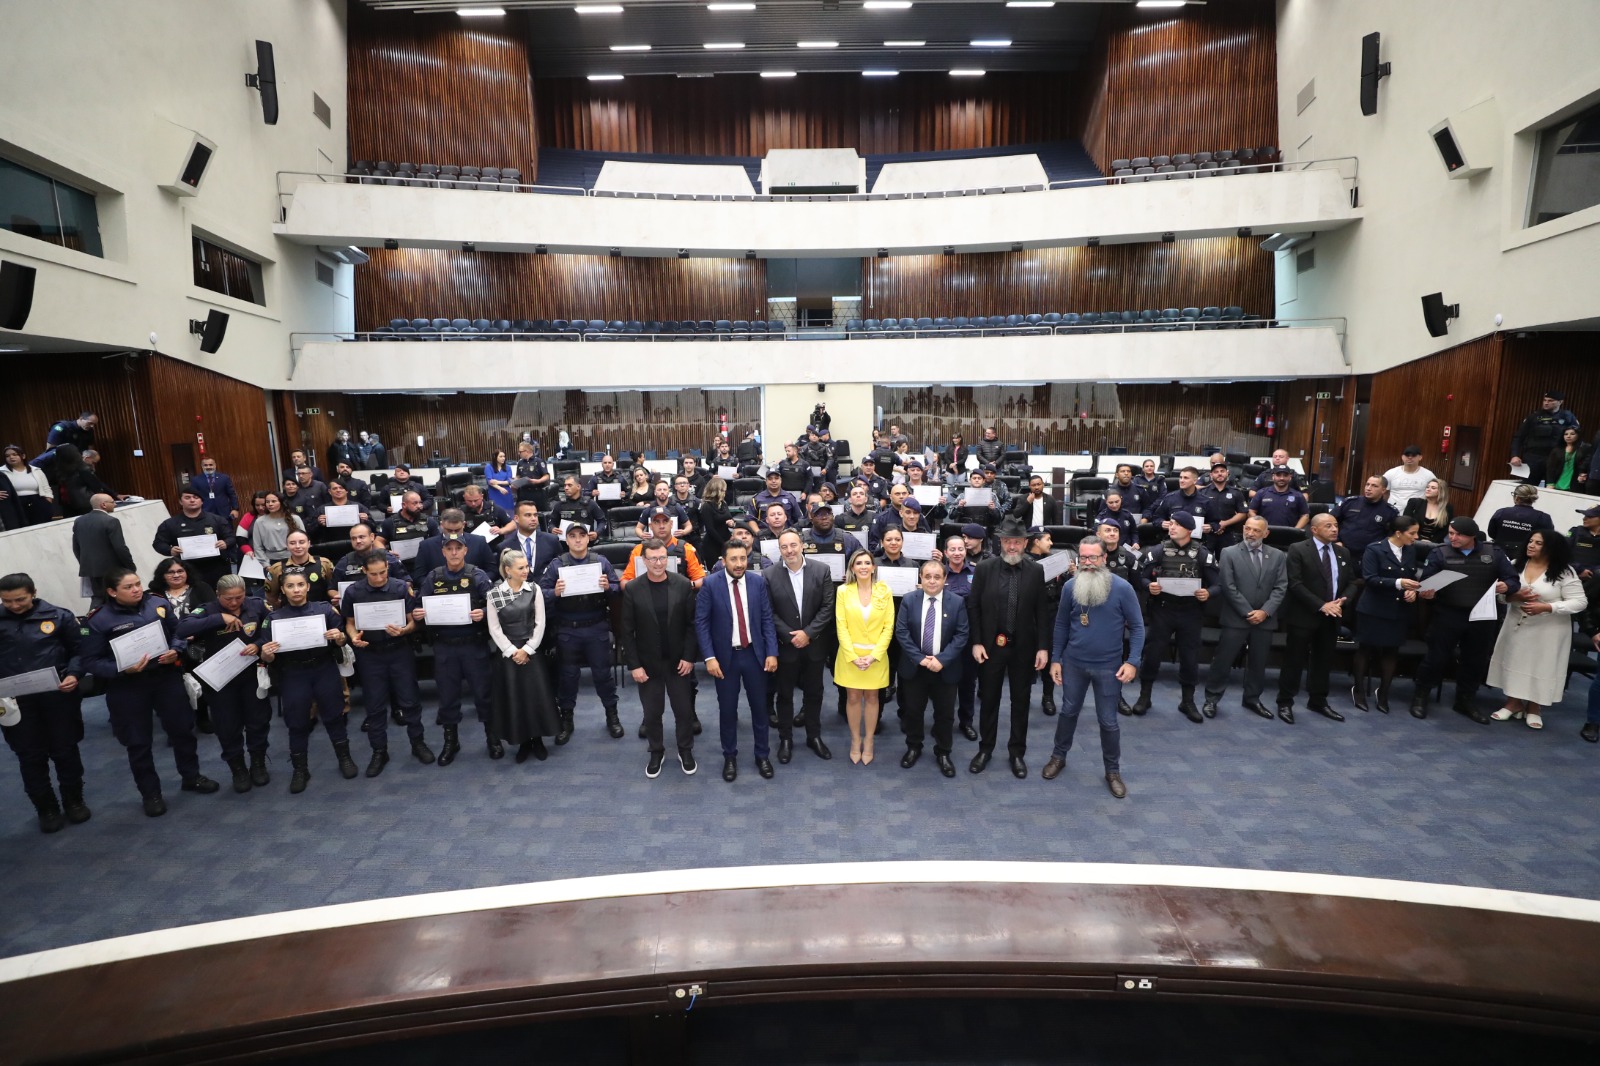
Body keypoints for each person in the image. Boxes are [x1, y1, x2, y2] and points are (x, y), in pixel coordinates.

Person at [81, 568, 219, 815]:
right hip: (128, 686)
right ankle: (151, 794)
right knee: (138, 743)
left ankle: (191, 776)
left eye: (137, 584)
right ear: (112, 592)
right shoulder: (99, 620)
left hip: (165, 678)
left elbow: (178, 632)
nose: (136, 590)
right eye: (128, 587)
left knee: (182, 730)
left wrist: (175, 650)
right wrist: (122, 669)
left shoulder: (157, 603)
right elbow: (90, 661)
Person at [1044, 537, 1144, 798]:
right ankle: (1058, 756)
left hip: (1109, 667)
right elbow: (1061, 625)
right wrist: (1056, 659)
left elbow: (1137, 627)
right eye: (1083, 558)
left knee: (1108, 721)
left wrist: (1132, 661)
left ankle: (1112, 771)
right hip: (1074, 664)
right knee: (1068, 712)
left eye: (1093, 558)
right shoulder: (1070, 587)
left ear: (1104, 558)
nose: (1087, 563)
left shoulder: (1122, 588)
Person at [0, 572, 90, 832]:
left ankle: (74, 801)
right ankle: (46, 808)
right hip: (14, 702)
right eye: (7, 601)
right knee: (30, 756)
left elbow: (79, 651)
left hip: (58, 696)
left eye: (20, 599)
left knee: (65, 750)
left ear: (33, 593)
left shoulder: (59, 616)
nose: (14, 605)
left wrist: (74, 674)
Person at [966, 517, 1051, 778]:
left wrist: (1043, 647)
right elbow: (973, 607)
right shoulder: (985, 568)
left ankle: (1017, 752)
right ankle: (985, 749)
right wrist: (977, 642)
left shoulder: (1036, 571)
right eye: (1007, 541)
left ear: (1025, 543)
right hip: (991, 647)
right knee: (989, 700)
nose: (1012, 547)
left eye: (1017, 542)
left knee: (1021, 701)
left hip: (1023, 648)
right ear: (1000, 542)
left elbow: (1042, 611)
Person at [1411, 517, 1520, 722]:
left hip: (1482, 616)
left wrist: (1507, 586)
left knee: (1475, 660)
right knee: (1436, 657)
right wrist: (1427, 593)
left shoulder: (1494, 553)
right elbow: (1426, 582)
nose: (1453, 538)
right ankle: (1421, 695)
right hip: (1449, 613)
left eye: (1458, 534)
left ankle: (1465, 700)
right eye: (1451, 533)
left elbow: (1513, 579)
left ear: (1472, 536)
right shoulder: (1440, 552)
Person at [258, 570, 355, 793]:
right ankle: (300, 769)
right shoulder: (274, 618)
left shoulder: (324, 610)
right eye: (290, 586)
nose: (296, 590)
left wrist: (339, 637)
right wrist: (266, 654)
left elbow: (341, 640)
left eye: (300, 585)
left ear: (308, 587)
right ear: (283, 590)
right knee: (297, 721)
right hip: (293, 672)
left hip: (323, 668)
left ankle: (345, 758)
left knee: (334, 715)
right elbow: (268, 658)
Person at [175, 575, 273, 791]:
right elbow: (182, 629)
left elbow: (272, 629)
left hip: (252, 675)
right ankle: (238, 768)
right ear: (218, 594)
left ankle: (258, 763)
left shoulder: (256, 605)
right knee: (227, 725)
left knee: (258, 721)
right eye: (228, 599)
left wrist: (258, 644)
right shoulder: (206, 610)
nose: (234, 602)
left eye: (239, 597)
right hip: (220, 680)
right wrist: (220, 618)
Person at [341, 551, 434, 775]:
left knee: (410, 700)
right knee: (374, 705)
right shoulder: (353, 592)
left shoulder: (400, 588)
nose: (379, 578)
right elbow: (349, 622)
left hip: (399, 650)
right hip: (370, 653)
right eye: (373, 574)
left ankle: (417, 742)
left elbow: (413, 622)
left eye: (383, 572)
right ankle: (379, 751)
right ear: (364, 571)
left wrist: (404, 630)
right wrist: (353, 637)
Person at [694, 540, 779, 783]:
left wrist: (772, 652)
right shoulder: (710, 584)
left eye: (743, 558)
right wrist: (709, 657)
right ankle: (729, 756)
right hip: (724, 658)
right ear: (724, 561)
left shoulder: (757, 582)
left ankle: (762, 755)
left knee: (760, 709)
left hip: (754, 655)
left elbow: (767, 619)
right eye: (734, 559)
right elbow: (701, 623)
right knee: (728, 711)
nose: (739, 564)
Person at [1485, 531, 1587, 729]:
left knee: (1541, 665)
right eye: (1530, 541)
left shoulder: (1564, 571)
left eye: (1538, 543)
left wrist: (1548, 607)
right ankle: (1513, 703)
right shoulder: (1516, 564)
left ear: (1551, 548)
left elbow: (1580, 602)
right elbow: (1501, 596)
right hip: (1517, 623)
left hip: (1549, 628)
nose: (1531, 545)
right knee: (1514, 660)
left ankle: (1534, 707)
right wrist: (1514, 597)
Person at [412, 532, 495, 765]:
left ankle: (493, 738)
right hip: (445, 647)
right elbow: (418, 606)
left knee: (484, 693)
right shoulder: (433, 577)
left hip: (473, 645)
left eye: (458, 548)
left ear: (466, 550)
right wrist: (418, 613)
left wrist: (484, 613)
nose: (454, 552)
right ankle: (451, 741)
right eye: (449, 549)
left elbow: (496, 605)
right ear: (443, 552)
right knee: (447, 696)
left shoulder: (477, 575)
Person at [620, 539, 701, 778]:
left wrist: (689, 657)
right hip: (648, 665)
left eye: (662, 558)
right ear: (644, 561)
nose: (658, 563)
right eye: (653, 558)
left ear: (668, 559)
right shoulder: (633, 589)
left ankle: (685, 750)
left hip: (679, 663)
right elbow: (627, 631)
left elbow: (692, 626)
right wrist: (634, 665)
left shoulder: (683, 585)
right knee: (652, 714)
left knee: (684, 712)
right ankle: (656, 751)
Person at [539, 522, 622, 743]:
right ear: (566, 540)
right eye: (573, 536)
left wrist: (608, 587)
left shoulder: (600, 561)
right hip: (568, 629)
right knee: (568, 677)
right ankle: (566, 720)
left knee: (603, 675)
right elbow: (541, 592)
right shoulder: (557, 565)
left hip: (596, 626)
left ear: (588, 539)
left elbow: (617, 589)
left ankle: (612, 715)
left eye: (581, 535)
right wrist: (555, 592)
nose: (577, 539)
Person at [1132, 511, 1218, 721]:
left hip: (1191, 612)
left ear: (1189, 530)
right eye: (1171, 524)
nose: (1171, 527)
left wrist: (1208, 593)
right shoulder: (1157, 550)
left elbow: (1219, 584)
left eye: (1177, 525)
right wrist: (1149, 586)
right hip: (1163, 610)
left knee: (1190, 657)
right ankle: (1145, 697)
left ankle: (1187, 701)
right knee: (1152, 654)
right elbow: (1141, 578)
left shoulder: (1203, 554)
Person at [1202, 516, 1288, 721]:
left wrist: (1265, 611)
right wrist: (1248, 612)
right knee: (1223, 661)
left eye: (1256, 530)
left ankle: (1252, 698)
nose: (1250, 533)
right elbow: (1228, 586)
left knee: (1258, 663)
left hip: (1265, 619)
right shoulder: (1229, 552)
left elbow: (1281, 587)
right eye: (1247, 529)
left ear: (1266, 533)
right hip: (1236, 617)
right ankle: (1212, 699)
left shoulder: (1278, 556)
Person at [1276, 513, 1355, 723]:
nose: (1334, 529)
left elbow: (1352, 582)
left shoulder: (1343, 552)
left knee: (1324, 661)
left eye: (1336, 525)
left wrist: (1342, 601)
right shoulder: (1298, 549)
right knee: (1294, 661)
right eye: (1328, 526)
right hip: (1304, 615)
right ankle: (1285, 702)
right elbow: (1295, 583)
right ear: (1314, 529)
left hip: (1332, 616)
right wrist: (1322, 605)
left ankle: (1318, 700)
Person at [894, 560, 969, 777]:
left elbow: (962, 634)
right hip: (915, 668)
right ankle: (914, 747)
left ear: (945, 579)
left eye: (937, 577)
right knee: (913, 711)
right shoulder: (909, 600)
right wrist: (921, 659)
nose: (932, 581)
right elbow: (902, 632)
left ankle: (943, 752)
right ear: (921, 578)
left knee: (945, 714)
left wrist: (942, 660)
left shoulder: (957, 602)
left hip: (945, 668)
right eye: (928, 576)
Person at [767, 530, 836, 764]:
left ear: (802, 545)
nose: (790, 550)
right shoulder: (769, 575)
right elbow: (768, 612)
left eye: (793, 545)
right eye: (784, 547)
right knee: (784, 695)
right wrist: (791, 636)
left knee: (814, 693)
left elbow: (827, 607)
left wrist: (808, 633)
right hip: (786, 646)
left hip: (814, 645)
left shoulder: (821, 570)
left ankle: (813, 736)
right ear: (779, 549)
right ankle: (785, 739)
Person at [486, 548, 558, 765]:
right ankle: (523, 742)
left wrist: (528, 649)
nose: (526, 570)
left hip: (531, 651)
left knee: (536, 697)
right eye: (521, 568)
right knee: (515, 698)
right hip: (508, 654)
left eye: (526, 566)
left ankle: (538, 740)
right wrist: (511, 651)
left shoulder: (534, 589)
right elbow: (494, 628)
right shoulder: (494, 594)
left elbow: (540, 623)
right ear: (508, 570)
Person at [1353, 515, 1425, 713]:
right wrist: (1399, 583)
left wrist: (1412, 591)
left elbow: (1410, 577)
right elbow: (1370, 579)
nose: (1416, 537)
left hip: (1398, 609)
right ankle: (1359, 690)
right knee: (1365, 650)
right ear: (1398, 533)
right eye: (1412, 533)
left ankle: (1383, 693)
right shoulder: (1374, 549)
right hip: (1374, 608)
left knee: (1392, 652)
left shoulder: (1410, 550)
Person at [832, 548, 893, 765]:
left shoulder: (884, 590)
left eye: (867, 563)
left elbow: (888, 627)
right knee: (853, 698)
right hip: (850, 656)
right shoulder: (843, 591)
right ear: (852, 568)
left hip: (876, 656)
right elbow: (841, 625)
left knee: (873, 698)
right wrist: (852, 655)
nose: (863, 567)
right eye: (859, 563)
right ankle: (855, 739)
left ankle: (869, 741)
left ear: (874, 567)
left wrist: (875, 655)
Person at [153, 486, 234, 590]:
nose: (192, 500)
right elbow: (158, 543)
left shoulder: (217, 520)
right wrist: (170, 550)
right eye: (187, 497)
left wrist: (226, 543)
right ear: (180, 501)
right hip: (186, 570)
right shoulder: (170, 524)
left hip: (216, 567)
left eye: (196, 497)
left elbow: (231, 537)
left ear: (202, 501)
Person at [72, 493, 134, 610]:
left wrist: (86, 565)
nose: (115, 504)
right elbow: (120, 547)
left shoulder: (79, 521)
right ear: (103, 505)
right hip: (112, 571)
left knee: (97, 599)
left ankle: (92, 619)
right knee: (115, 599)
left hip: (91, 571)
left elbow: (76, 548)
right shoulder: (111, 521)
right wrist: (130, 567)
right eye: (112, 502)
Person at [1509, 389, 1579, 485]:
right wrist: (1515, 455)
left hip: (1555, 457)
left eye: (1550, 401)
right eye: (1545, 400)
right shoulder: (1534, 417)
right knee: (1527, 487)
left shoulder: (1568, 417)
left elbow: (1577, 437)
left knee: (1552, 487)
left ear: (1560, 402)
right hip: (1533, 457)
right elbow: (1518, 437)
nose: (1546, 403)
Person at [1487, 483, 1554, 563]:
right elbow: (1549, 539)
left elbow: (1491, 533)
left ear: (1517, 498)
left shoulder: (1501, 512)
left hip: (1498, 556)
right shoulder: (1543, 517)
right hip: (1527, 559)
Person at [0, 444, 55, 528]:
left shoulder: (36, 470)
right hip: (16, 504)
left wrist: (48, 501)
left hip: (38, 502)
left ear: (23, 456)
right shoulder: (1, 472)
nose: (11, 457)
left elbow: (46, 488)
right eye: (7, 456)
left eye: (14, 454)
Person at [50, 445, 114, 517]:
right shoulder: (61, 470)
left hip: (84, 505)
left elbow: (97, 487)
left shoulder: (83, 469)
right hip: (68, 504)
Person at [250, 491, 305, 566]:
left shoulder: (295, 519)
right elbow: (257, 546)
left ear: (281, 502)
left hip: (294, 558)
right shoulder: (260, 522)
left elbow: (303, 541)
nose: (270, 504)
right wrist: (265, 564)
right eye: (267, 502)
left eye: (273, 501)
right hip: (271, 560)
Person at [1383, 446, 1438, 510]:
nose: (1410, 457)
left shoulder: (1428, 475)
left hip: (1417, 512)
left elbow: (1437, 492)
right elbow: (1383, 492)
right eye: (1407, 455)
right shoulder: (1391, 473)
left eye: (1413, 455)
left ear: (1420, 457)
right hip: (1393, 511)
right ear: (1402, 457)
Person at [188, 456, 241, 522]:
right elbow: (193, 497)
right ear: (202, 466)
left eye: (211, 465)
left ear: (215, 465)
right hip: (205, 513)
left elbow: (232, 494)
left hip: (224, 513)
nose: (208, 467)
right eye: (205, 465)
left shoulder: (224, 478)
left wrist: (235, 509)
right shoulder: (196, 480)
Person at [1404, 478, 1453, 545]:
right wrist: (1420, 539)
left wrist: (1431, 543)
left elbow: (1445, 530)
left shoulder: (1447, 508)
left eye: (1433, 488)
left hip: (1434, 544)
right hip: (1413, 541)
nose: (1428, 489)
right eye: (1427, 487)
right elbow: (1406, 524)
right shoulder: (1414, 503)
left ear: (1441, 492)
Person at [1545, 426, 1591, 492]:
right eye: (1566, 434)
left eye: (1572, 434)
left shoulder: (1585, 448)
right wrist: (1550, 483)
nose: (1568, 436)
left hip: (1576, 484)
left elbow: (1587, 464)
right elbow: (1550, 468)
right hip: (1557, 483)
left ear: (1578, 435)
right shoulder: (1557, 450)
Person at [484, 448, 516, 515]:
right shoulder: (488, 467)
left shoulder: (508, 467)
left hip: (506, 492)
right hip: (494, 492)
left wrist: (497, 482)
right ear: (495, 457)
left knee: (509, 513)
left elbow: (509, 481)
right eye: (500, 456)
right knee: (496, 512)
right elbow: (490, 481)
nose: (503, 458)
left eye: (504, 456)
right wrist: (500, 488)